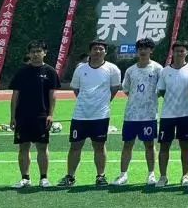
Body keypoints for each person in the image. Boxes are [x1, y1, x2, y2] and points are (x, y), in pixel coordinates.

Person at [58, 40, 121, 187]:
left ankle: (100, 176)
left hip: (100, 116)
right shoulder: (80, 69)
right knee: (75, 147)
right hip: (80, 115)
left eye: (101, 49)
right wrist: (86, 102)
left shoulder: (112, 69)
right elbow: (76, 90)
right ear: (90, 51)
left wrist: (102, 102)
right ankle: (70, 176)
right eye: (95, 49)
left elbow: (114, 89)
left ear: (105, 52)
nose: (97, 51)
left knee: (99, 147)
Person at [9, 40, 60, 189]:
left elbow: (52, 95)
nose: (36, 54)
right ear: (29, 54)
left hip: (41, 116)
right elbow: (15, 95)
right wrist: (12, 116)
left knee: (42, 148)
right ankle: (25, 178)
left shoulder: (50, 71)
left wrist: (50, 114)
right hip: (22, 116)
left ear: (45, 53)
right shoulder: (21, 72)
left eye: (39, 51)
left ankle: (44, 178)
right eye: (33, 52)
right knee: (23, 147)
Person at [113, 38, 162, 186]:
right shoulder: (130, 70)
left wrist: (148, 101)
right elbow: (127, 90)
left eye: (146, 48)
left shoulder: (158, 69)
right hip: (131, 115)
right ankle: (123, 175)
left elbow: (161, 90)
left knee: (149, 145)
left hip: (149, 115)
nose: (143, 51)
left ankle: (151, 174)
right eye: (140, 48)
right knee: (127, 144)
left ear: (151, 50)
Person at [156, 41, 188, 187]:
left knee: (185, 147)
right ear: (172, 52)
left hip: (187, 114)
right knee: (164, 147)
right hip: (167, 115)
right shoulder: (165, 71)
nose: (179, 53)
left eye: (182, 51)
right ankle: (163, 177)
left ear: (186, 52)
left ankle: (185, 176)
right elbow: (161, 91)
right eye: (177, 51)